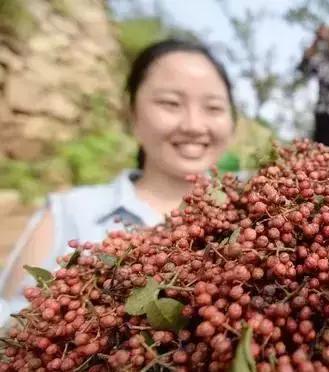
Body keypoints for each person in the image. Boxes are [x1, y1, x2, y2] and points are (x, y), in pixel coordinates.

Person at [0, 39, 236, 324]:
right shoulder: (68, 212)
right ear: (131, 115)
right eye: (171, 103)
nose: (194, 126)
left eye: (213, 108)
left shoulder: (254, 210)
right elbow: (10, 328)